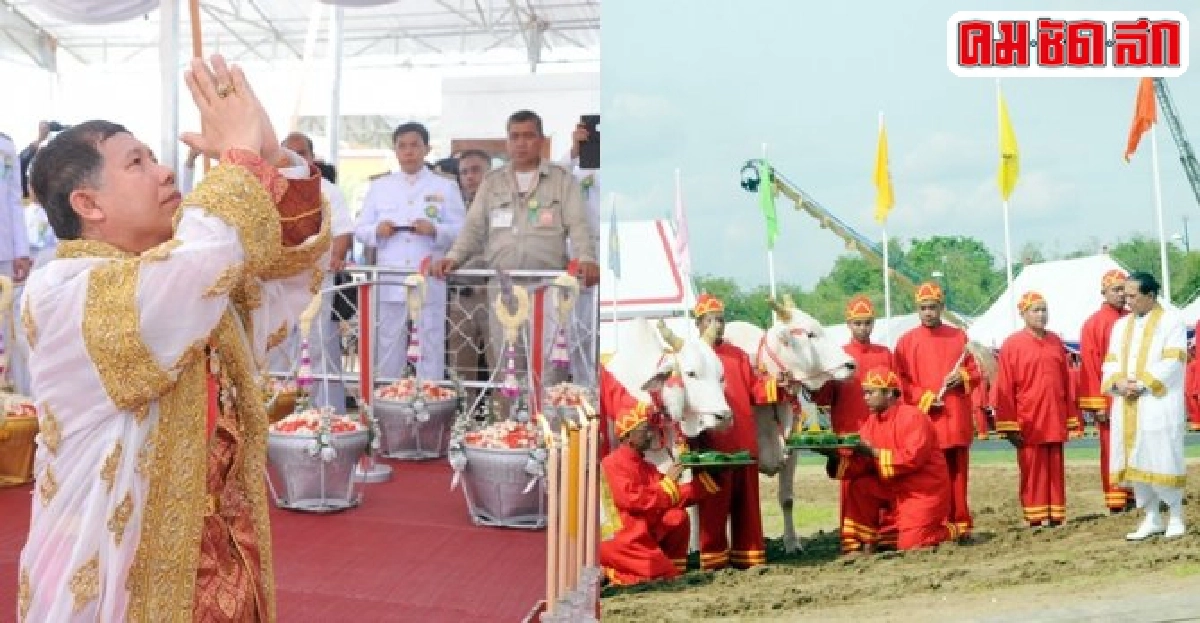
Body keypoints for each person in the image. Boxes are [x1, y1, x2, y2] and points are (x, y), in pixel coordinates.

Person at [16, 55, 329, 622]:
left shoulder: (188, 274)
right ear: (88, 205)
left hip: (224, 555)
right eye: (137, 163)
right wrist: (239, 159)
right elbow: (189, 273)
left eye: (158, 158)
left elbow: (286, 271)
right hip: (124, 568)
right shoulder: (64, 290)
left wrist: (276, 158)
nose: (165, 172)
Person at [433, 110, 599, 415]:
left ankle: (549, 436)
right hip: (504, 289)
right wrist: (453, 258)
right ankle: (511, 433)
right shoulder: (492, 182)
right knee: (507, 364)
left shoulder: (562, 181)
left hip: (548, 288)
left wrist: (586, 259)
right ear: (508, 142)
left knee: (550, 364)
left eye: (529, 136)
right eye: (515, 136)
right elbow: (473, 228)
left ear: (540, 140)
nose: (521, 143)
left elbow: (578, 226)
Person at [354, 122, 465, 382]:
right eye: (402, 146)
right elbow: (360, 229)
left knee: (430, 344)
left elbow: (462, 230)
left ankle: (430, 402)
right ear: (395, 151)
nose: (408, 151)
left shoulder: (445, 186)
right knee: (388, 345)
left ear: (426, 148)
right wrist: (376, 231)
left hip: (428, 276)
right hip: (390, 277)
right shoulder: (381, 186)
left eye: (415, 145)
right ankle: (386, 403)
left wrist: (435, 230)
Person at [816, 366, 956, 553]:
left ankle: (951, 531)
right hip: (893, 487)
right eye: (864, 393)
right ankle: (867, 539)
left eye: (870, 393)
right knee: (860, 486)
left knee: (911, 544)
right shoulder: (872, 422)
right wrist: (833, 455)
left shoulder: (914, 417)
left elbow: (912, 458)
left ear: (889, 393)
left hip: (922, 491)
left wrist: (872, 451)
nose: (865, 398)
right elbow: (860, 464)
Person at [267, 131, 355, 412]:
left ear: (310, 157)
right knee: (275, 351)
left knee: (316, 351)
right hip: (275, 283)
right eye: (287, 153)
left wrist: (337, 257)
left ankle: (326, 423)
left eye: (300, 153)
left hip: (316, 282)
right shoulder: (266, 187)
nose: (293, 159)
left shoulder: (326, 189)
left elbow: (342, 231)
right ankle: (276, 420)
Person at [1101, 272, 1188, 541]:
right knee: (1136, 459)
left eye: (1132, 296)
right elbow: (1110, 362)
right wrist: (1118, 383)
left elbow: (1173, 362)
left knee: (1162, 456)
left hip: (1157, 403)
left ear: (1150, 296)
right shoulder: (1121, 326)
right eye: (1125, 295)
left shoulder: (1171, 321)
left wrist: (1140, 384)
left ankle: (1175, 516)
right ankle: (1151, 517)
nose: (1127, 301)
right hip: (1127, 404)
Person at [893, 282, 979, 540]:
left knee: (959, 475)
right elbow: (900, 382)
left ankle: (961, 524)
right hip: (927, 421)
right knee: (932, 478)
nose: (928, 312)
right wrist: (926, 397)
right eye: (923, 308)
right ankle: (937, 525)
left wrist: (962, 376)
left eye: (933, 307)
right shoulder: (906, 342)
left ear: (942, 307)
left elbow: (975, 371)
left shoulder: (959, 337)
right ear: (917, 309)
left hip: (956, 418)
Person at [599, 404, 718, 586]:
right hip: (623, 537)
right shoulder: (612, 464)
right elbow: (635, 500)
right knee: (661, 574)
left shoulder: (647, 467)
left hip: (642, 530)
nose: (650, 435)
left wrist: (706, 483)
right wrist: (668, 483)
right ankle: (613, 571)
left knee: (677, 517)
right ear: (628, 436)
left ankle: (667, 567)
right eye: (645, 430)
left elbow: (672, 497)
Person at [692, 293, 766, 570]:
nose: (717, 325)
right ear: (698, 324)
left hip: (743, 441)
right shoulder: (691, 354)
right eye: (710, 320)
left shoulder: (738, 356)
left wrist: (778, 385)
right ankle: (713, 562)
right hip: (712, 446)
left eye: (720, 319)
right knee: (714, 508)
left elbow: (755, 391)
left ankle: (750, 558)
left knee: (747, 507)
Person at [991, 292, 1072, 529]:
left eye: (1044, 309)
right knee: (1033, 468)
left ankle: (1055, 514)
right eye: (1035, 310)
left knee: (1055, 466)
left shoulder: (1056, 341)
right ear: (1023, 314)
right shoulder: (1012, 344)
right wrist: (1009, 424)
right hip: (1029, 418)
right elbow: (1004, 385)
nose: (1041, 315)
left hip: (1054, 413)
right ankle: (1035, 516)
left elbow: (1066, 380)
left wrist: (1069, 414)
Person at [1077, 269, 1134, 513]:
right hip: (1110, 398)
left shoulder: (1135, 318)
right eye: (1116, 290)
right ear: (1104, 292)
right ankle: (1116, 498)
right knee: (1112, 448)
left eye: (1125, 290)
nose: (1121, 295)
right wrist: (1099, 403)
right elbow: (1090, 367)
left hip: (1135, 395)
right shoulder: (1094, 324)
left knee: (1137, 446)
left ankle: (1137, 493)